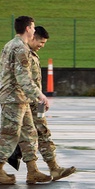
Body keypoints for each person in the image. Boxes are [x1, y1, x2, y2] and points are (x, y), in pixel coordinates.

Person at [0, 15, 51, 185]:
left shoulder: (10, 45)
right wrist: (39, 95)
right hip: (13, 98)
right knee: (9, 133)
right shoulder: (20, 48)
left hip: (17, 97)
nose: (34, 29)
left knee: (29, 133)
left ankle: (33, 171)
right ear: (28, 28)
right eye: (33, 27)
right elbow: (23, 77)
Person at [17, 25, 76, 180]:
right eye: (40, 42)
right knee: (20, 137)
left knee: (43, 132)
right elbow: (24, 80)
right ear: (32, 37)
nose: (42, 46)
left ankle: (53, 167)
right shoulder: (23, 52)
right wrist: (40, 97)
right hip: (26, 101)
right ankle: (27, 170)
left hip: (37, 102)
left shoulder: (32, 54)